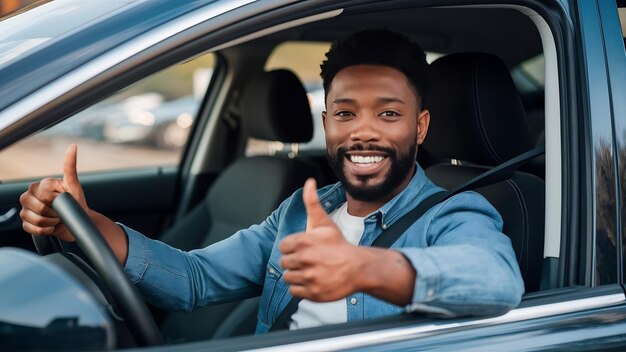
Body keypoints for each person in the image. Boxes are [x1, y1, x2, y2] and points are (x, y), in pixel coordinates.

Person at [19, 29, 524, 334]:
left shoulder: (454, 212)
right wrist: (88, 225)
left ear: (420, 126)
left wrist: (364, 268)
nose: (363, 131)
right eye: (345, 113)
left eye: (388, 114)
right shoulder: (300, 212)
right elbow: (194, 280)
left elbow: (495, 279)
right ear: (326, 124)